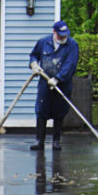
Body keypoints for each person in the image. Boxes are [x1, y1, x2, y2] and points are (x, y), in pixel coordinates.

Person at [29, 20, 79, 151]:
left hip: (62, 84)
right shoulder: (43, 42)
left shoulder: (72, 45)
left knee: (60, 111)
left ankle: (56, 141)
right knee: (41, 111)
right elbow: (34, 55)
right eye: (60, 35)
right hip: (45, 84)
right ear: (54, 32)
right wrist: (34, 64)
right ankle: (39, 141)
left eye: (65, 35)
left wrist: (57, 78)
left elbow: (70, 65)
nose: (63, 38)